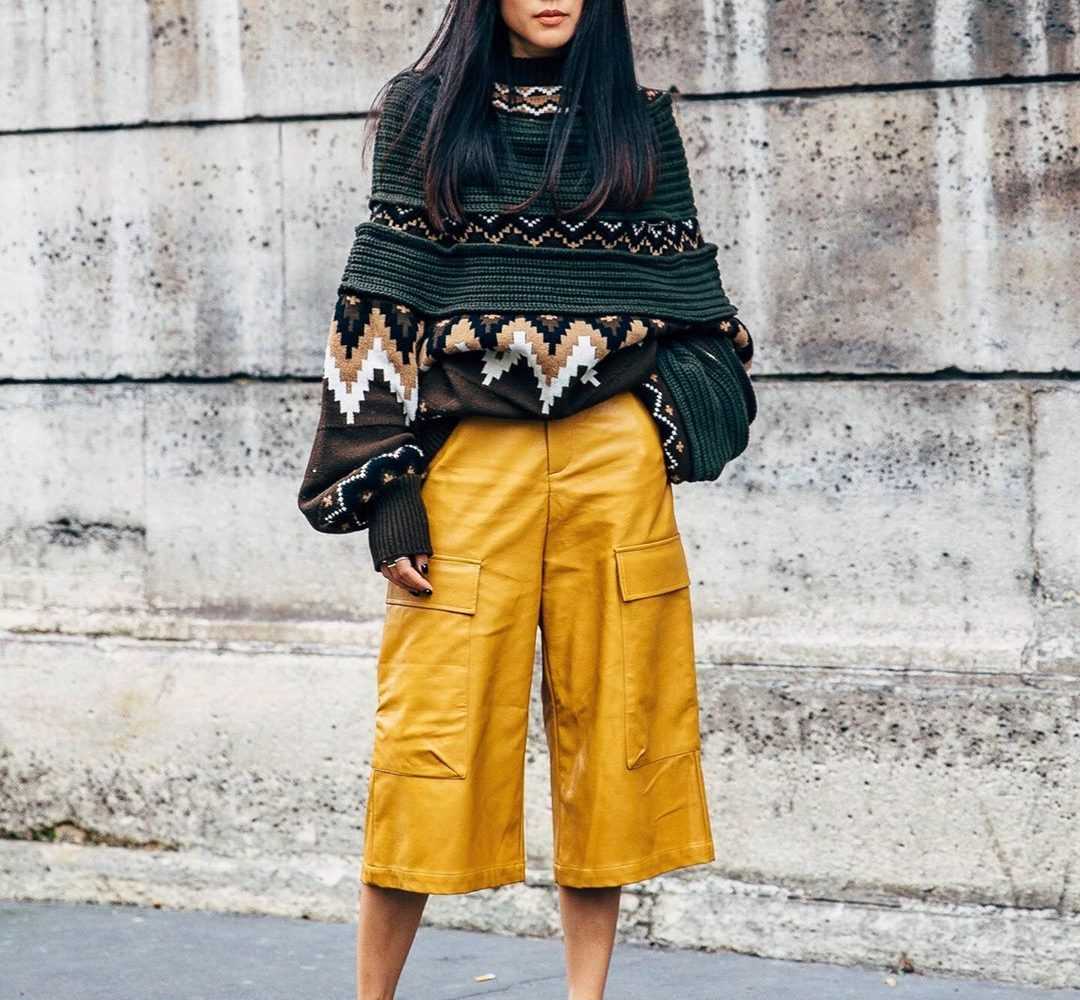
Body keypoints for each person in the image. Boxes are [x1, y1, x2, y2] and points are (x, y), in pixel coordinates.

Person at [297, 1, 754, 997]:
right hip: (472, 464)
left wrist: (655, 424)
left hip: (612, 461)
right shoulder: (425, 114)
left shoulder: (637, 122)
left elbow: (696, 308)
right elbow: (378, 305)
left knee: (617, 731)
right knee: (430, 735)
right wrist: (387, 490)